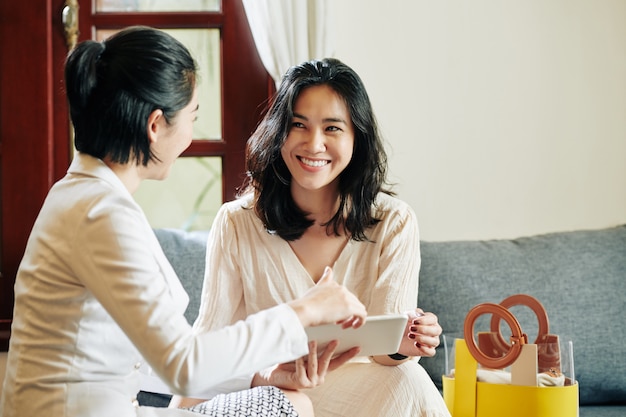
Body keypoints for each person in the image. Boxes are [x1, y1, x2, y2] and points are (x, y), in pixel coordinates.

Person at [0, 28, 368, 417]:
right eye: (192, 116)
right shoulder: (100, 214)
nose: (191, 136)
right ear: (156, 125)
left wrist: (261, 377)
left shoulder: (84, 195)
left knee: (288, 401)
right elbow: (184, 366)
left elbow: (151, 361)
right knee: (290, 408)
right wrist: (304, 311)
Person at [183, 58, 452, 416]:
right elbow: (207, 347)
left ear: (357, 136)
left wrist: (408, 342)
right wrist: (269, 376)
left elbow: (389, 355)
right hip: (274, 392)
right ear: (279, 131)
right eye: (299, 125)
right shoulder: (237, 222)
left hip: (365, 397)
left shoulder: (393, 221)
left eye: (332, 128)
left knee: (407, 378)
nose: (314, 144)